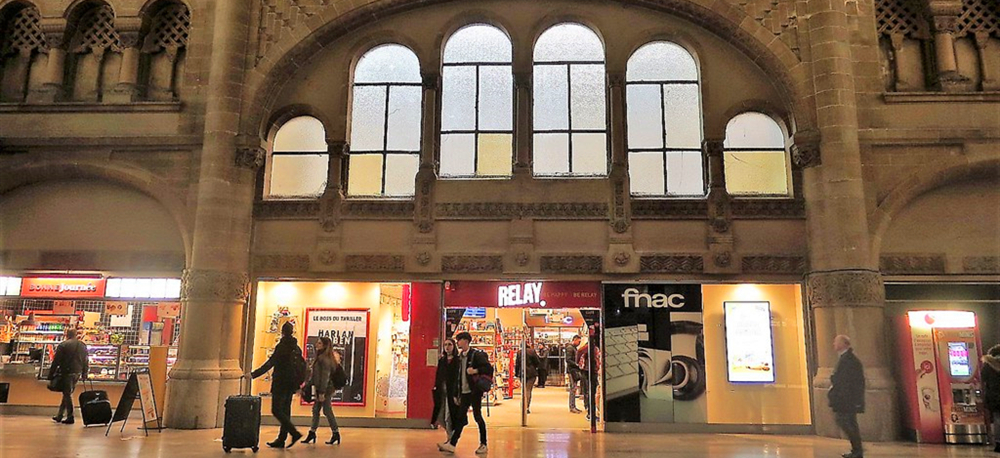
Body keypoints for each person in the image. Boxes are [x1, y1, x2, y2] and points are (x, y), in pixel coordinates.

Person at [251, 321, 304, 449]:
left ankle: (293, 432)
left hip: (280, 382)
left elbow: (271, 363)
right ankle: (282, 438)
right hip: (291, 383)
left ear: (283, 332)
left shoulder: (282, 347)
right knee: (286, 410)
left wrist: (253, 374)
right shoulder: (296, 348)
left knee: (276, 409)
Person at [439, 331, 492, 455]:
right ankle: (452, 444)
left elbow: (488, 368)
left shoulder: (475, 355)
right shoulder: (460, 357)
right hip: (464, 392)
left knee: (478, 416)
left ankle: (483, 444)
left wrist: (475, 370)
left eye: (459, 340)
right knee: (460, 418)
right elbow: (458, 377)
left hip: (474, 391)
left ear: (466, 341)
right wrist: (457, 393)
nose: (458, 343)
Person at [829, 335, 865, 458]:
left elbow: (850, 381)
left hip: (847, 399)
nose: (834, 344)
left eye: (836, 342)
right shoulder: (845, 359)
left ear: (843, 344)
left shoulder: (849, 360)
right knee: (849, 423)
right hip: (846, 399)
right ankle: (856, 449)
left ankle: (857, 450)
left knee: (847, 423)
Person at [302, 336, 342, 445]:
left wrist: (322, 392)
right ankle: (313, 432)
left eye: (319, 343)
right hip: (323, 389)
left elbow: (324, 377)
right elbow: (316, 376)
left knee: (326, 410)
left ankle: (335, 433)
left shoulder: (323, 359)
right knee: (316, 410)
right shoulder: (324, 358)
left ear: (324, 345)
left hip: (324, 390)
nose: (316, 345)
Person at [49, 328, 88, 424]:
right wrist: (84, 373)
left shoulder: (63, 345)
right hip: (77, 372)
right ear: (76, 334)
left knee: (67, 393)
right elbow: (86, 360)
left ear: (67, 334)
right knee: (67, 393)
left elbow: (56, 361)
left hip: (66, 372)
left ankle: (70, 416)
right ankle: (60, 415)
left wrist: (51, 374)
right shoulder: (83, 345)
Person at [431, 338, 459, 448]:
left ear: (454, 346)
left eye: (450, 345)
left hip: (452, 392)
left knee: (449, 416)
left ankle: (450, 440)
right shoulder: (442, 360)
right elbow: (438, 375)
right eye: (445, 345)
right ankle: (450, 438)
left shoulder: (457, 360)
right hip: (441, 391)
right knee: (440, 416)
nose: (447, 347)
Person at [982, 344, 1000, 453]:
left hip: (994, 396)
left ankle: (998, 443)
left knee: (997, 419)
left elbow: (983, 378)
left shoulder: (988, 365)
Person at [515, 343, 540, 413]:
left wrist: (517, 374)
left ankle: (523, 405)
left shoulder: (519, 352)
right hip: (531, 373)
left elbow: (517, 364)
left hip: (522, 373)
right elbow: (537, 362)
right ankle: (527, 407)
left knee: (524, 390)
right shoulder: (532, 351)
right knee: (528, 390)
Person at [566, 335, 582, 414]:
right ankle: (572, 406)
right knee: (573, 388)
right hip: (572, 371)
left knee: (574, 388)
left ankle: (573, 406)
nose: (579, 343)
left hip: (573, 370)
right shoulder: (570, 348)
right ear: (575, 340)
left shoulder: (573, 348)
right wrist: (577, 364)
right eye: (579, 341)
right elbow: (568, 360)